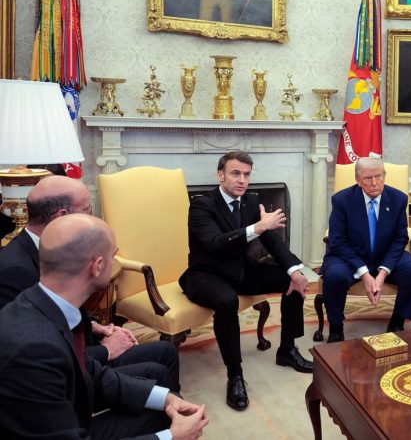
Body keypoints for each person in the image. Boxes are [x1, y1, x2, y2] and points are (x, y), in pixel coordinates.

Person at [0, 214, 208, 439]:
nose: (115, 262)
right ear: (98, 266)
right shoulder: (34, 350)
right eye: (113, 255)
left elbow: (92, 374)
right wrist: (171, 437)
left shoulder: (45, 305)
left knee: (162, 411)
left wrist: (166, 398)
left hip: (66, 418)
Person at [0, 175, 180, 393]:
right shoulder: (13, 271)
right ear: (62, 216)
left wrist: (96, 327)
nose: (93, 216)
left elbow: (58, 310)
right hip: (65, 372)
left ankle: (175, 408)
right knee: (155, 373)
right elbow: (34, 348)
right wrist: (106, 351)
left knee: (166, 351)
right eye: (87, 209)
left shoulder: (58, 248)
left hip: (83, 345)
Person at [178, 151, 313, 412]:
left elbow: (272, 240)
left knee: (291, 281)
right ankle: (235, 375)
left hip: (240, 271)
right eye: (235, 173)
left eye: (247, 174)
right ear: (221, 175)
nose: (242, 180)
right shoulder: (201, 205)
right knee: (227, 302)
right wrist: (259, 227)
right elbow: (216, 244)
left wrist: (295, 269)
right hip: (206, 274)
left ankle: (287, 349)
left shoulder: (250, 200)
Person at [320, 157, 411, 343]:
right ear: (358, 180)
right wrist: (365, 274)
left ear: (384, 176)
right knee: (335, 275)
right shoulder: (342, 200)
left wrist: (383, 273)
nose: (375, 183)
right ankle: (336, 327)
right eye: (368, 178)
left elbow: (400, 238)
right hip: (348, 257)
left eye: (379, 176)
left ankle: (397, 322)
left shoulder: (398, 199)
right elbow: (337, 241)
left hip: (384, 255)